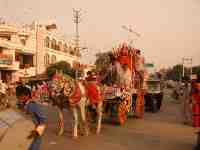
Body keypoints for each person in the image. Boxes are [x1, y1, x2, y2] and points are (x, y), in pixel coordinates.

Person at [16, 85, 47, 150]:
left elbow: (43, 119)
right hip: (26, 132)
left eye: (21, 96)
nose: (19, 98)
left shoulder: (33, 105)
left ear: (27, 95)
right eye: (18, 97)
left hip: (35, 133)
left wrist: (37, 132)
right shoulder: (22, 105)